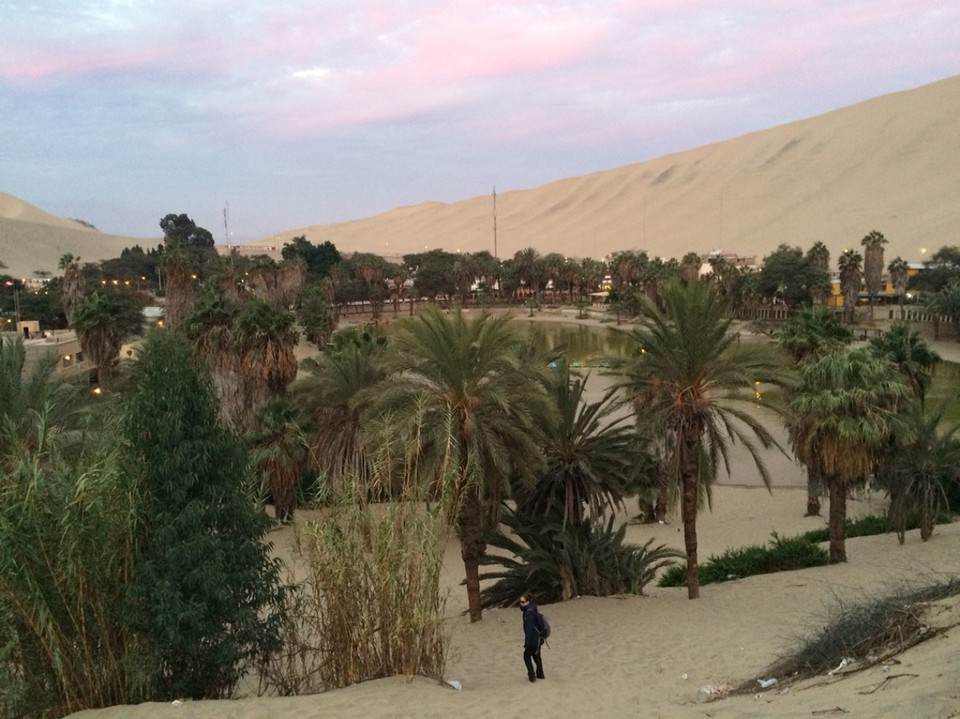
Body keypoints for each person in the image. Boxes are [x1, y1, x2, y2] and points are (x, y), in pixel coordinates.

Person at [519, 594, 545, 682]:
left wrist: (527, 643)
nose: (521, 604)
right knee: (536, 655)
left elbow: (529, 629)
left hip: (534, 639)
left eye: (522, 602)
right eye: (520, 602)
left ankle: (532, 675)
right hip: (539, 638)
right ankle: (540, 674)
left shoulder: (529, 613)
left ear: (528, 602)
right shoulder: (533, 608)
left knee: (526, 656)